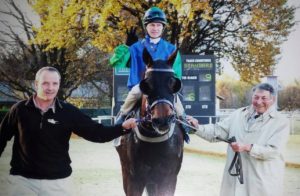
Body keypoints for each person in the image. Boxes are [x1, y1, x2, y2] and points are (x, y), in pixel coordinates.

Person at [0, 66, 137, 196]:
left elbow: (97, 133)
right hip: (22, 181)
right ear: (36, 84)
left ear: (59, 85)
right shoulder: (19, 110)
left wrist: (122, 127)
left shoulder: (68, 112)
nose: (50, 88)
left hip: (58, 182)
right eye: (45, 83)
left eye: (54, 83)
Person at [187, 83, 290, 196]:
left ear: (272, 99)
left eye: (264, 98)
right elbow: (217, 131)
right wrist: (197, 127)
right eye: (256, 97)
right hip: (234, 184)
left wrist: (247, 147)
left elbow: (273, 151)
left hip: (262, 185)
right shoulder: (238, 115)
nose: (259, 101)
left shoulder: (281, 122)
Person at [110, 7, 190, 135]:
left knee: (177, 102)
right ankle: (122, 117)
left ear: (162, 27)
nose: (155, 28)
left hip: (164, 87)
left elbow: (177, 73)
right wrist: (127, 47)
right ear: (146, 26)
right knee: (135, 92)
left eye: (158, 25)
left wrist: (172, 85)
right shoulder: (135, 47)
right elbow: (116, 63)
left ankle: (183, 120)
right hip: (143, 86)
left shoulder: (171, 49)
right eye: (152, 25)